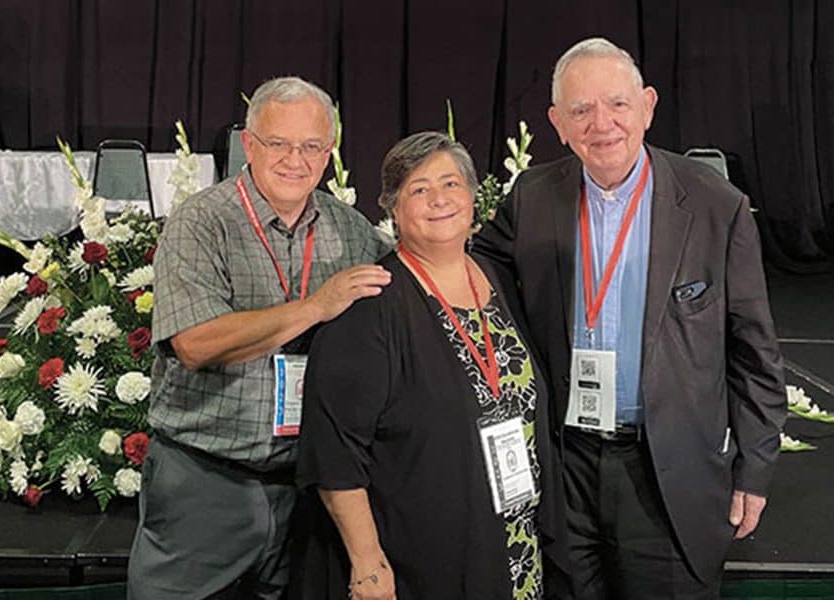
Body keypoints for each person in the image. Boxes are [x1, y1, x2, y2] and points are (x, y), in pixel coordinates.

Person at [474, 38, 787, 599]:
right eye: (581, 110)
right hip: (563, 467)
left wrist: (754, 470)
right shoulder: (533, 196)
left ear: (647, 105)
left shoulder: (716, 206)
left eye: (617, 105)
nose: (602, 124)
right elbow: (480, 268)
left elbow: (753, 351)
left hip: (666, 473)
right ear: (557, 123)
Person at [128, 76, 393, 600]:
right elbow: (196, 344)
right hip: (205, 484)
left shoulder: (354, 232)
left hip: (306, 490)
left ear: (330, 153)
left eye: (312, 146)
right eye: (279, 143)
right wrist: (315, 307)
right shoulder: (202, 222)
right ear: (248, 145)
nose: (296, 159)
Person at [296, 131, 565, 600]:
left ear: (473, 197)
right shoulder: (369, 304)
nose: (438, 200)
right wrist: (367, 562)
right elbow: (334, 451)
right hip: (420, 555)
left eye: (451, 184)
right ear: (394, 210)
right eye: (418, 190)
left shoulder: (499, 278)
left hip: (516, 541)